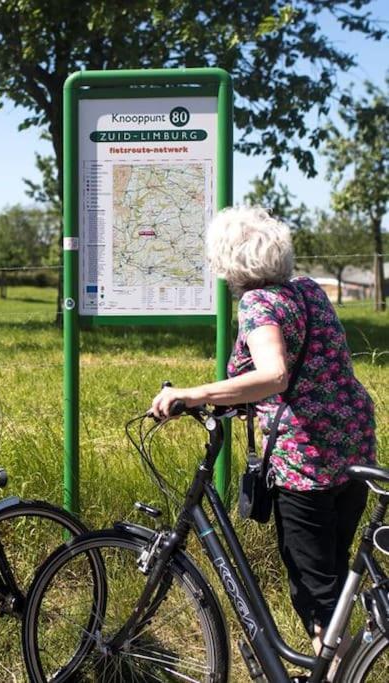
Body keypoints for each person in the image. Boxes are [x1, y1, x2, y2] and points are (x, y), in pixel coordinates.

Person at [151, 205, 376, 677]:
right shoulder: (309, 291)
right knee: (334, 585)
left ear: (227, 262)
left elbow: (273, 374)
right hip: (352, 445)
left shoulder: (258, 304)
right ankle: (343, 663)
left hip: (308, 460)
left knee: (316, 596)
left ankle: (334, 670)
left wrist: (192, 394)